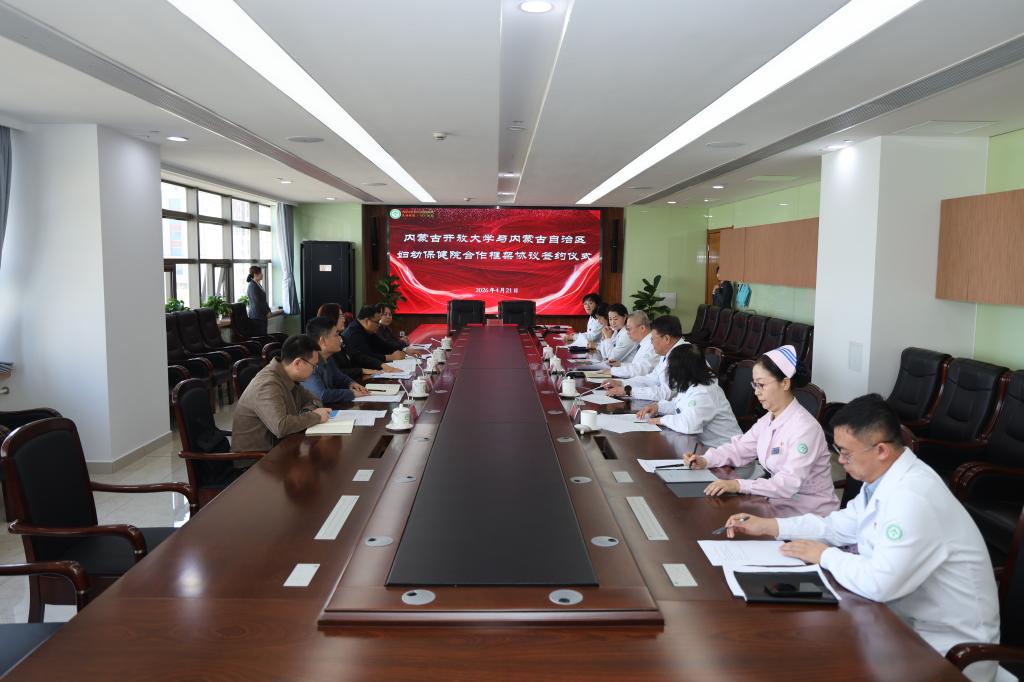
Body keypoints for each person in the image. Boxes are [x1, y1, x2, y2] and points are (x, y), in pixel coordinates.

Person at [721, 395, 1001, 682]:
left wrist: (824, 555)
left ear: (881, 450)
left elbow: (880, 584)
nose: (840, 461)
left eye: (846, 453)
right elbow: (836, 526)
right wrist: (771, 526)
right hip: (899, 622)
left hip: (947, 651)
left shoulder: (914, 497)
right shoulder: (882, 482)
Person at [684, 345, 838, 516]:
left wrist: (739, 485)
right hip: (778, 503)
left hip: (809, 514)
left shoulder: (805, 429)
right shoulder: (768, 419)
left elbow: (787, 483)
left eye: (761, 385)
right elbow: (739, 448)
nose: (756, 392)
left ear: (785, 383)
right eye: (754, 385)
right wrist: (705, 460)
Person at [232, 334, 331, 452]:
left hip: (281, 447)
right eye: (313, 366)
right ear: (297, 363)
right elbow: (281, 426)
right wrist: (315, 416)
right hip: (257, 458)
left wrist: (306, 413)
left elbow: (315, 400)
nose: (314, 371)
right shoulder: (268, 384)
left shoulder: (289, 376)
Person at [635, 345, 741, 447]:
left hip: (725, 452)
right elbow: (678, 406)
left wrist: (661, 420)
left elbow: (688, 425)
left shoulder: (704, 392)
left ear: (682, 370)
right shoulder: (691, 383)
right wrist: (657, 407)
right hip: (704, 448)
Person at [602, 315, 687, 401]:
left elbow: (665, 393)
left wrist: (629, 391)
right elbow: (652, 379)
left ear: (666, 339)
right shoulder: (669, 351)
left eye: (653, 339)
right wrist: (621, 383)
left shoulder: (682, 355)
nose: (651, 343)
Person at [301, 316, 370, 403]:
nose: (340, 339)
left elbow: (339, 377)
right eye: (336, 335)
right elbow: (321, 395)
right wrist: (351, 393)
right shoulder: (308, 362)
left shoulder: (328, 357)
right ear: (323, 341)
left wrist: (351, 383)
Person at [342, 305, 407, 364]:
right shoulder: (354, 333)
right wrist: (391, 357)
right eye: (377, 322)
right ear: (367, 321)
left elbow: (383, 345)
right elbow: (366, 357)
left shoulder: (368, 330)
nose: (379, 325)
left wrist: (404, 350)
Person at [609, 311, 658, 378]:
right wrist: (620, 365)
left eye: (629, 329)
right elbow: (636, 366)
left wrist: (612, 371)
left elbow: (642, 370)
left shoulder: (653, 344)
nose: (627, 332)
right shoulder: (644, 343)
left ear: (642, 328)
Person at [246, 265, 271, 335]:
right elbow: (257, 302)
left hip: (261, 315)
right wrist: (267, 312)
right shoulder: (252, 286)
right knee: (260, 336)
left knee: (264, 335)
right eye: (260, 273)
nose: (262, 274)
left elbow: (263, 300)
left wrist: (268, 310)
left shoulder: (257, 284)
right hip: (257, 316)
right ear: (255, 274)